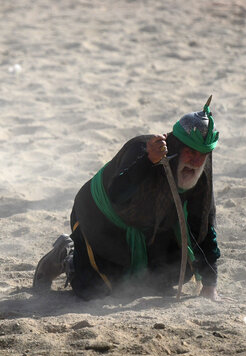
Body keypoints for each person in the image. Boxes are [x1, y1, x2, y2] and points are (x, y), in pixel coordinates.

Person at [33, 97, 221, 301]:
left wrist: (210, 285)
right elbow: (117, 195)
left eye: (202, 155)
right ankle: (68, 254)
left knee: (171, 275)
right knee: (94, 290)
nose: (195, 161)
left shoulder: (201, 175)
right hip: (101, 217)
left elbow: (202, 227)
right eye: (190, 151)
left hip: (150, 228)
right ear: (176, 145)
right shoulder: (142, 149)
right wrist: (148, 162)